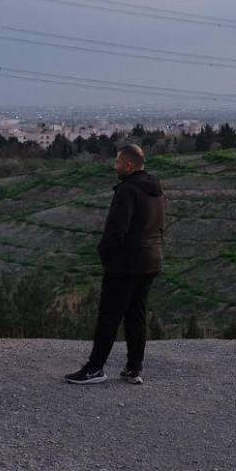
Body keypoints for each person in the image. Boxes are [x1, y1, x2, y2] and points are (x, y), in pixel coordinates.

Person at [65, 144, 166, 385]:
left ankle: (95, 368)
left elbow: (115, 231)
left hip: (125, 264)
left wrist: (106, 255)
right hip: (151, 260)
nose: (115, 166)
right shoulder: (157, 191)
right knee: (136, 315)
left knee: (109, 317)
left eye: (118, 162)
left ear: (129, 165)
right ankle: (134, 368)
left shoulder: (127, 191)